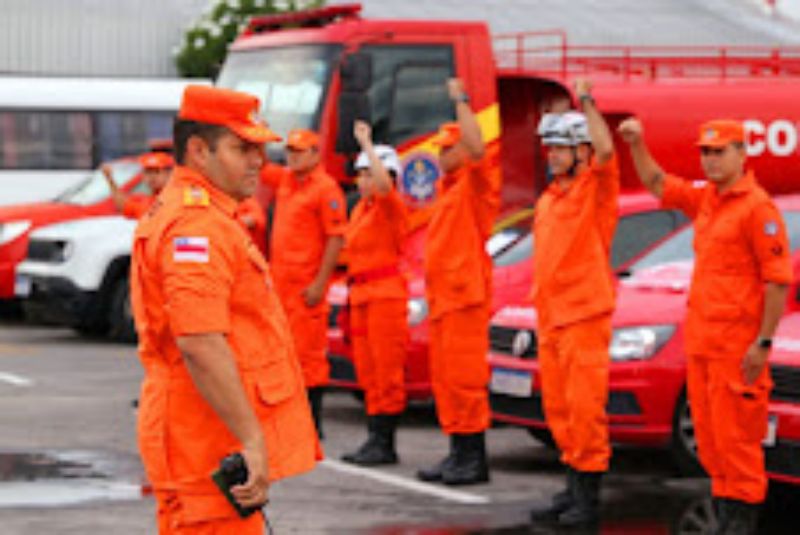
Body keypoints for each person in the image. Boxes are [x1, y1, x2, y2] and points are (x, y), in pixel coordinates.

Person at [130, 85, 320, 534]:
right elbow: (199, 341)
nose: (258, 160)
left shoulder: (197, 213)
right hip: (203, 436)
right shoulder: (197, 225)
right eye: (242, 148)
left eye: (259, 148)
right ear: (199, 151)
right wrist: (253, 439)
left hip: (201, 429)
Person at [619, 117, 791, 534]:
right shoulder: (708, 199)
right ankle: (725, 521)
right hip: (703, 348)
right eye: (706, 153)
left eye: (720, 152)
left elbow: (778, 281)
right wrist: (637, 144)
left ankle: (740, 525)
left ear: (741, 153)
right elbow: (660, 184)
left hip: (737, 352)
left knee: (739, 450)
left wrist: (763, 343)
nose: (711, 160)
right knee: (711, 448)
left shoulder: (757, 208)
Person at [527, 79, 619, 527]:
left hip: (583, 315)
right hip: (552, 317)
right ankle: (571, 488)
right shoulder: (550, 198)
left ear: (581, 151)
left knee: (585, 411)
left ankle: (589, 500)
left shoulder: (595, 190)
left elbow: (607, 151)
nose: (553, 156)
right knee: (560, 411)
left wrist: (586, 101)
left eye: (561, 148)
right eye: (550, 149)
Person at [416, 78, 501, 486]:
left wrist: (462, 101)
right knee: (447, 382)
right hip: (445, 301)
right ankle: (458, 454)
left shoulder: (475, 185)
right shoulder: (446, 191)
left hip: (465, 301)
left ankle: (473, 460)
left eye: (448, 147)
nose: (442, 154)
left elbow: (479, 147)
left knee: (466, 382)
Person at [264, 128, 346, 438]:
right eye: (290, 151)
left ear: (315, 154)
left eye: (299, 151)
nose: (292, 156)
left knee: (309, 357)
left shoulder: (326, 189)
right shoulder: (287, 181)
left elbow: (336, 239)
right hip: (282, 286)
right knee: (282, 353)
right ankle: (291, 419)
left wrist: (320, 284)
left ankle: (313, 422)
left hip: (304, 287)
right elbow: (258, 164)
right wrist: (259, 132)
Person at [340, 120, 409, 466]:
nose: (363, 179)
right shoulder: (360, 210)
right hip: (362, 295)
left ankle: (385, 441)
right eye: (360, 174)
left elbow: (384, 187)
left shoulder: (390, 207)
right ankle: (374, 438)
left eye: (369, 173)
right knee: (368, 372)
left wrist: (367, 144)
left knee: (386, 372)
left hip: (385, 296)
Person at [102, 151, 173, 219]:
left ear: (169, 174)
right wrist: (110, 178)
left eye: (157, 172)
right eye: (148, 172)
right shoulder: (147, 201)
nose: (152, 176)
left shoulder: (176, 198)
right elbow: (124, 206)